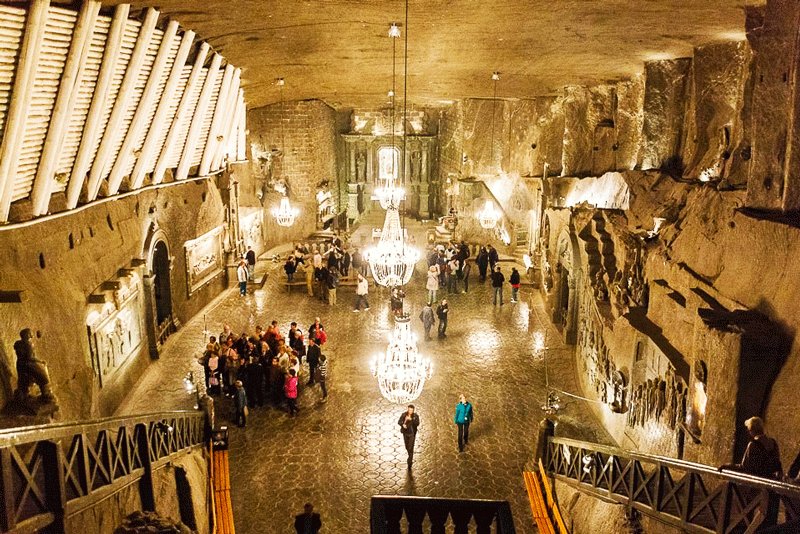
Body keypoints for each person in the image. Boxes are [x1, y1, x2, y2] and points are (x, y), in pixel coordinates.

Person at [719, 417, 783, 526]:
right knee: (766, 512)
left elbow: (744, 466)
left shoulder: (752, 445)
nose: (749, 432)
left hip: (755, 484)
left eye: (749, 429)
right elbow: (777, 464)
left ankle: (746, 527)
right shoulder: (773, 443)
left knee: (747, 507)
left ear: (752, 429)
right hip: (769, 483)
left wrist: (726, 466)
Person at [398, 405, 420, 469]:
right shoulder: (404, 415)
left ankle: (410, 461)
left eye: (412, 410)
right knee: (407, 447)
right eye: (409, 410)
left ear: (413, 410)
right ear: (408, 409)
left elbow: (417, 423)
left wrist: (411, 420)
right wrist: (402, 424)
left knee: (411, 448)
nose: (410, 411)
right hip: (405, 433)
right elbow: (399, 422)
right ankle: (410, 456)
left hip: (412, 434)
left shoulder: (415, 416)